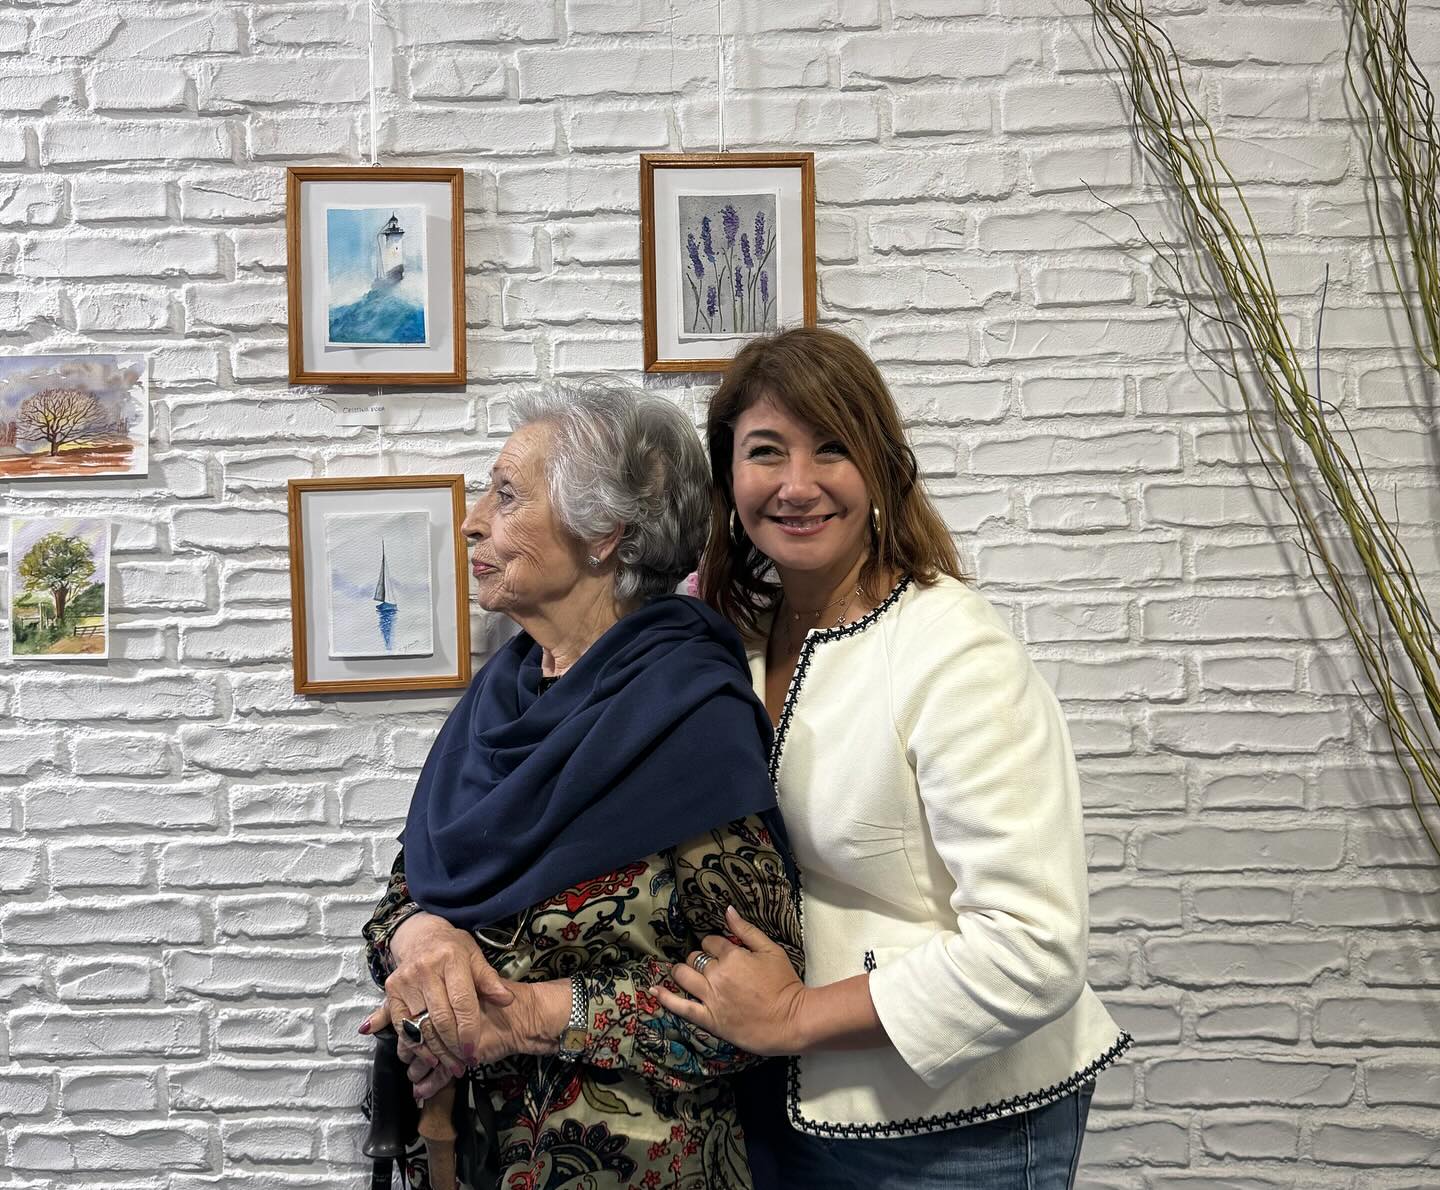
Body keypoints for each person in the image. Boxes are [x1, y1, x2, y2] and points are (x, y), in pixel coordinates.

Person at [653, 327, 1130, 1189]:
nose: (797, 484)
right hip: (783, 1104)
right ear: (728, 477)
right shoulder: (738, 637)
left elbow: (1035, 948)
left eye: (832, 448)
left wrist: (793, 1015)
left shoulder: (951, 648)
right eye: (766, 451)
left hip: (958, 1127)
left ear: (880, 466)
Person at [360, 383, 802, 1189]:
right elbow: (408, 892)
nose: (472, 521)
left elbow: (754, 1003)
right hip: (467, 1155)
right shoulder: (502, 700)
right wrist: (424, 943)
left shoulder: (690, 717)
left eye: (506, 495)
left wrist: (523, 1018)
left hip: (638, 1165)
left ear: (604, 535)